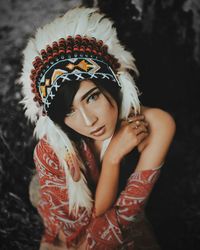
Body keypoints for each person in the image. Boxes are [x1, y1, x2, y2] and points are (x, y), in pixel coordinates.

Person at [20, 7, 176, 250]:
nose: (89, 121)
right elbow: (75, 229)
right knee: (43, 193)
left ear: (111, 84)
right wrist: (113, 157)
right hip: (64, 197)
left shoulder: (157, 123)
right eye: (69, 111)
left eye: (92, 97)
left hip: (115, 208)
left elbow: (126, 212)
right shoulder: (52, 149)